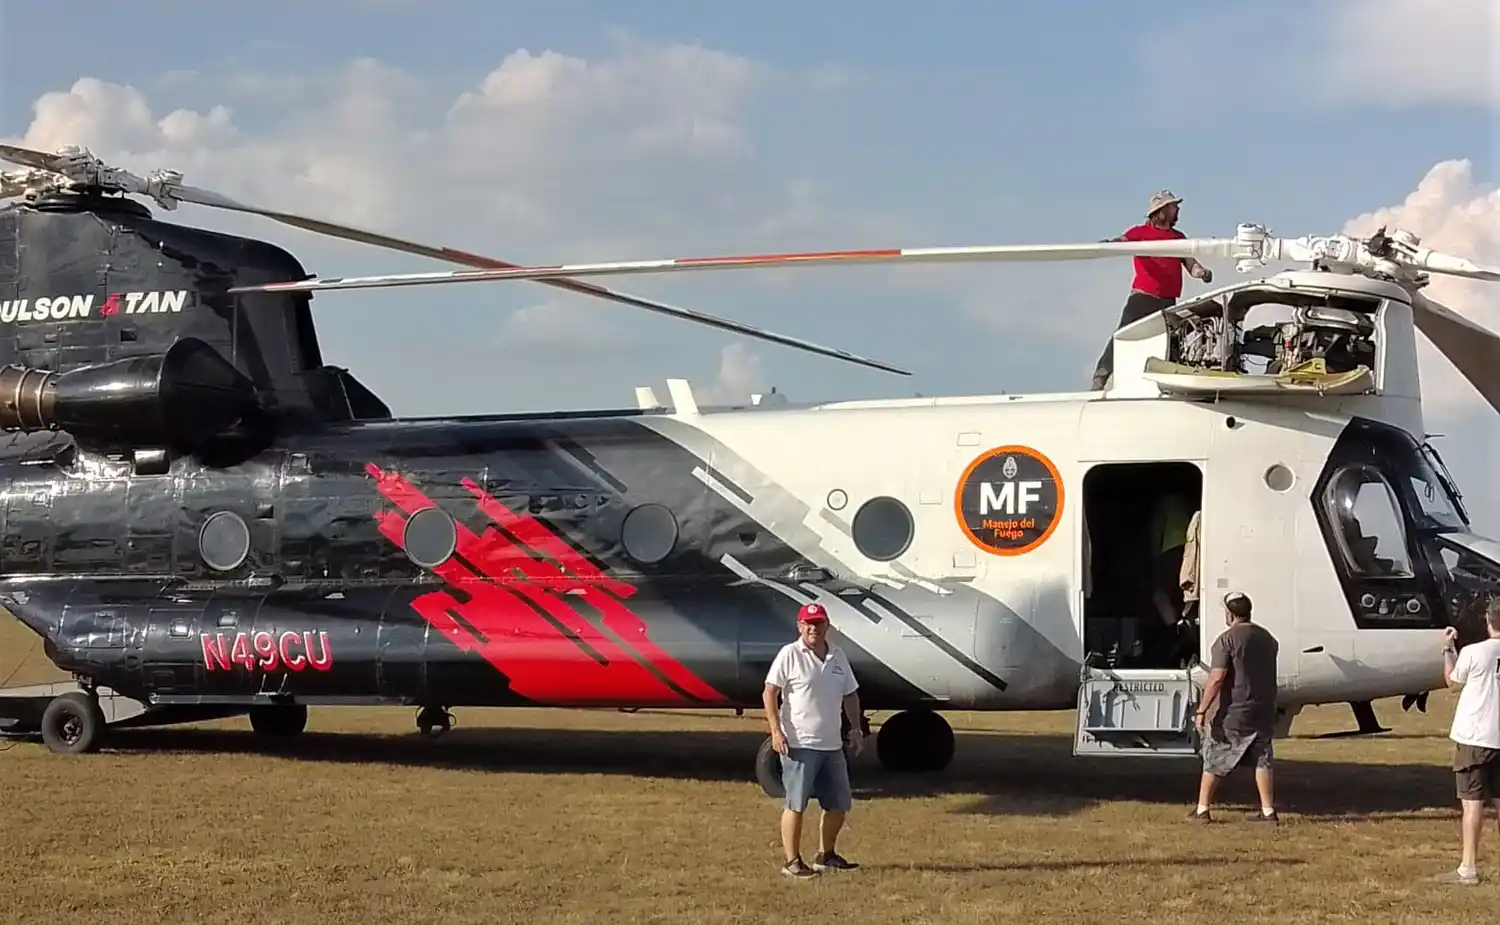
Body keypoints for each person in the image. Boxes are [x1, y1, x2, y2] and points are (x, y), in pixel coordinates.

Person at [763, 602, 865, 878]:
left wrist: (856, 728)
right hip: (798, 744)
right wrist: (776, 730)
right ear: (799, 626)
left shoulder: (838, 655)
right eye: (808, 624)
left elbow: (850, 694)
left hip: (832, 745)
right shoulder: (789, 654)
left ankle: (825, 855)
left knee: (839, 805)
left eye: (818, 624)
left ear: (826, 626)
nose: (813, 628)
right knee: (796, 804)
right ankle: (792, 862)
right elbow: (770, 692)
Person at [1090, 190, 1215, 390]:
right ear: (1162, 211)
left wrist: (1202, 272)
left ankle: (1172, 385)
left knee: (1172, 342)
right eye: (1174, 206)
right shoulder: (1140, 232)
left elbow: (1190, 263)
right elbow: (1122, 242)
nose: (1178, 209)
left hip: (1167, 301)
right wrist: (1108, 245)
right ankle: (1100, 379)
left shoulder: (1178, 237)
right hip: (1143, 297)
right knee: (1122, 337)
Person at [1190, 591, 1280, 822]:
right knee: (1262, 759)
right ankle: (1268, 811)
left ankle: (1202, 809)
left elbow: (1217, 678)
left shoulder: (1226, 640)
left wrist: (1202, 710)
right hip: (1264, 709)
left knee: (1216, 757)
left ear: (1230, 615)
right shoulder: (1268, 638)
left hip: (1234, 711)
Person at [1436, 601, 1500, 886]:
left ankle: (1468, 868)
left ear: (1489, 620)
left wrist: (1448, 648)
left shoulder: (1474, 652)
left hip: (1474, 736)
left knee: (1472, 803)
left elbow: (1452, 680)